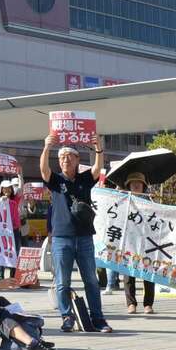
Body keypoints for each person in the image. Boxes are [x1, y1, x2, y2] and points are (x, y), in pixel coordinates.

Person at [41, 132, 112, 333]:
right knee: (62, 281)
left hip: (84, 237)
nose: (65, 160)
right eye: (62, 157)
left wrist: (98, 148)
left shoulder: (84, 178)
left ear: (77, 160)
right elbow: (44, 170)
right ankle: (67, 317)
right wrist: (47, 147)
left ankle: (98, 319)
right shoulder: (55, 180)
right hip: (61, 237)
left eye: (70, 156)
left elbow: (97, 169)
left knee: (91, 279)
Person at [117, 172, 156, 314]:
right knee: (128, 273)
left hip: (146, 241)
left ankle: (148, 304)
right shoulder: (123, 200)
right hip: (128, 240)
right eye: (133, 183)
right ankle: (131, 303)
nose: (136, 185)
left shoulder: (150, 201)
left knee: (148, 272)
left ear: (143, 186)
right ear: (128, 185)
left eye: (139, 183)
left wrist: (153, 202)